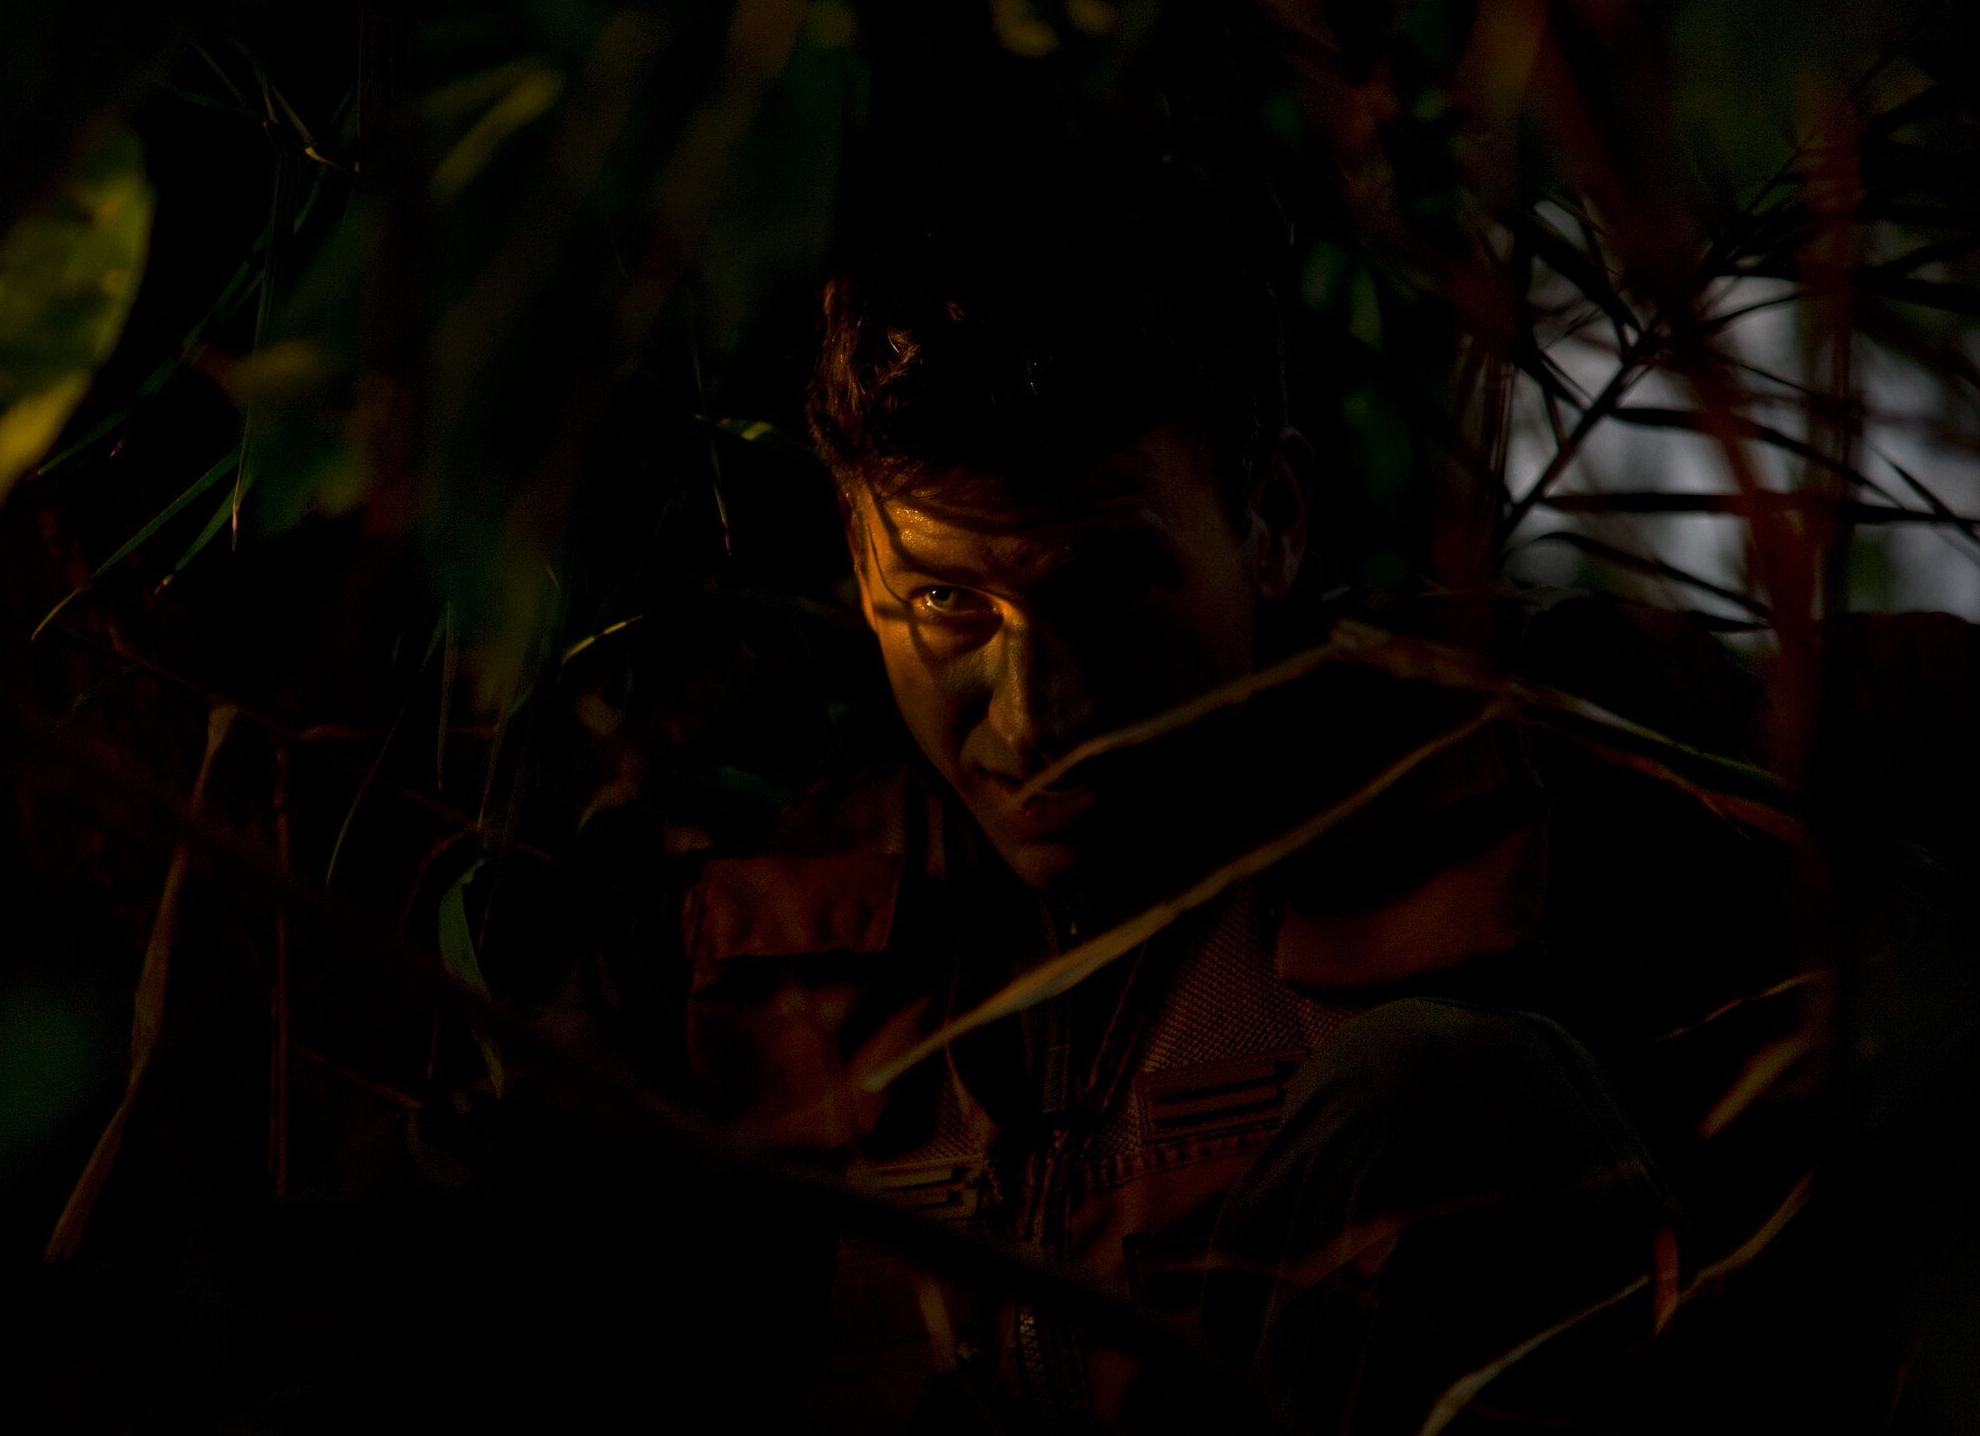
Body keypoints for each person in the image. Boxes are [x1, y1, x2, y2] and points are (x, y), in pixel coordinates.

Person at [676, 155, 1677, 1434]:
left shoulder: (1543, 760)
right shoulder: (743, 932)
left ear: (1269, 521)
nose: (1038, 714)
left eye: (1107, 590)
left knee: (1446, 1087)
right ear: (858, 570)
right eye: (944, 603)